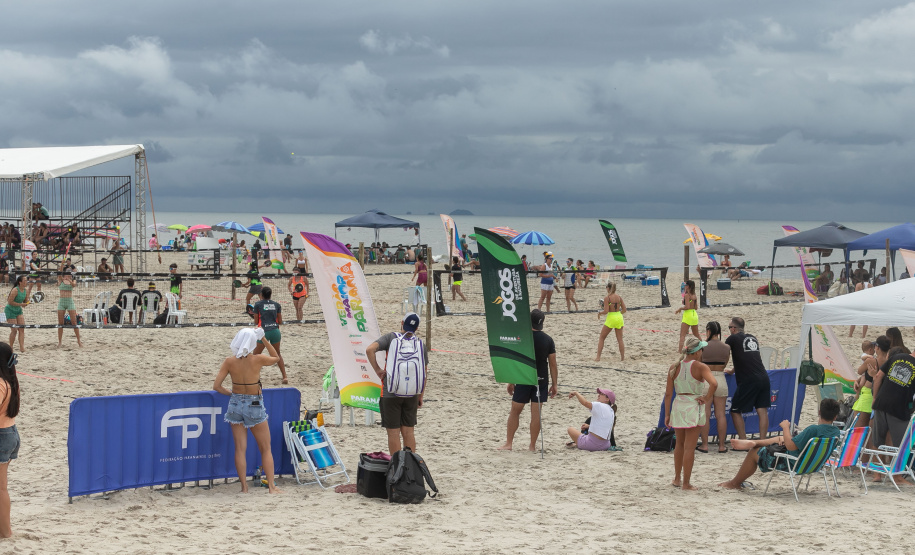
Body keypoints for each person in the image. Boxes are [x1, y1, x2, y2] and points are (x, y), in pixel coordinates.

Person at [213, 328, 282, 494]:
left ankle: (244, 487)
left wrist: (232, 394)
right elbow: (276, 358)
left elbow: (217, 386)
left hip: (235, 402)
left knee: (240, 448)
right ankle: (272, 487)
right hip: (254, 403)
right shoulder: (257, 359)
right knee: (265, 448)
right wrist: (264, 339)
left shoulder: (229, 361)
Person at [719, 398, 841, 490]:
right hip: (813, 465)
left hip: (793, 464)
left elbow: (791, 446)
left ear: (819, 412)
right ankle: (753, 442)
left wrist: (786, 427)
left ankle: (734, 483)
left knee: (755, 452)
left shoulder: (813, 429)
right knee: (781, 439)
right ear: (835, 417)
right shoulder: (835, 432)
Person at [366, 313, 428, 455]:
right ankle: (410, 466)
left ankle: (397, 466)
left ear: (402, 322)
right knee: (409, 432)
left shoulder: (391, 338)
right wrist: (420, 395)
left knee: (393, 433)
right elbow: (424, 373)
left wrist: (377, 370)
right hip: (412, 392)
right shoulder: (420, 344)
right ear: (417, 328)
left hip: (390, 392)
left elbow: (369, 349)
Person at [498, 309, 558, 451]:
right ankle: (532, 446)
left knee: (515, 411)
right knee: (536, 413)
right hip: (541, 379)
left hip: (523, 377)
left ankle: (509, 443)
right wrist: (555, 384)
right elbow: (553, 363)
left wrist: (511, 381)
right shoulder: (548, 340)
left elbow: (515, 361)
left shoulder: (522, 337)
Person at [663, 337, 717, 490]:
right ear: (697, 352)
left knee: (679, 444)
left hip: (679, 404)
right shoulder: (700, 367)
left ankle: (676, 479)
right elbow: (714, 383)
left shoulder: (674, 367)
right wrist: (706, 398)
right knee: (689, 447)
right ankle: (686, 483)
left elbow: (668, 394)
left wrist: (667, 414)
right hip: (693, 405)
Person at [725, 317, 771, 440]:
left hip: (749, 379)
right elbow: (747, 358)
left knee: (735, 410)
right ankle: (762, 442)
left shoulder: (732, 338)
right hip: (763, 376)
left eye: (729, 328)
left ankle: (743, 441)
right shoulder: (752, 338)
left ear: (733, 329)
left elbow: (722, 352)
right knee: (762, 410)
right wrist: (732, 370)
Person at [871, 344, 915, 449]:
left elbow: (878, 376)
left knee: (877, 443)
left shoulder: (897, 357)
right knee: (902, 446)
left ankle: (876, 464)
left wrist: (875, 398)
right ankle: (895, 465)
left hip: (881, 402)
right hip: (899, 408)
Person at [697, 321, 731, 454]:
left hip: (707, 379)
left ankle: (704, 445)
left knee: (705, 413)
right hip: (721, 379)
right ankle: (721, 445)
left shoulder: (703, 346)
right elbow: (725, 363)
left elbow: (699, 363)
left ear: (708, 331)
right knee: (721, 414)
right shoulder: (726, 347)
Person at [0, 342, 20, 537]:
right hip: (9, 431)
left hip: (2, 436)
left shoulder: (0, 383)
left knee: (1, 488)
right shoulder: (10, 379)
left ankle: (5, 532)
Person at [251, 287, 287, 384]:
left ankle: (253, 377)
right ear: (270, 295)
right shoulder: (276, 304)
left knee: (255, 356)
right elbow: (280, 321)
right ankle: (284, 377)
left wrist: (253, 315)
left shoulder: (258, 304)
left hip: (264, 332)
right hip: (275, 331)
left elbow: (255, 321)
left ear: (261, 295)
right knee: (277, 354)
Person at [851, 338, 882, 430]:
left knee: (857, 430)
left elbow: (860, 371)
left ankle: (857, 395)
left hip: (868, 396)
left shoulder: (871, 360)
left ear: (878, 348)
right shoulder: (887, 361)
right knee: (871, 431)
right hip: (879, 397)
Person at [594, 283, 626, 362]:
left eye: (606, 287)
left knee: (602, 337)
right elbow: (624, 309)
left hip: (611, 317)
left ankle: (598, 358)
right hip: (619, 317)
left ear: (608, 288)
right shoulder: (619, 297)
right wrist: (618, 315)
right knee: (620, 339)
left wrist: (600, 313)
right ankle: (622, 358)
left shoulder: (607, 298)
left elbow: (606, 311)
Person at [4, 276, 31, 354]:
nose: (27, 282)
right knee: (14, 330)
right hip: (10, 310)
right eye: (25, 280)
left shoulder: (26, 290)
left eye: (27, 280)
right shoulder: (15, 290)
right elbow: (10, 302)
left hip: (18, 310)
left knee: (22, 329)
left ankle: (22, 347)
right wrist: (21, 304)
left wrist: (27, 302)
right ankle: (11, 347)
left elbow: (25, 301)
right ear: (20, 282)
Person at [56, 270, 82, 347]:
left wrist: (69, 280)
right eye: (67, 275)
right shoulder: (60, 280)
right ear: (64, 275)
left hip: (70, 302)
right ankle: (60, 342)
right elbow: (59, 270)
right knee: (60, 323)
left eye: (70, 275)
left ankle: (79, 341)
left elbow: (74, 285)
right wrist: (62, 264)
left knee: (74, 322)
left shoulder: (73, 280)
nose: (69, 276)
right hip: (61, 302)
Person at [675, 280, 700, 352]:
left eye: (685, 285)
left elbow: (687, 307)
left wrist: (680, 308)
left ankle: (679, 351)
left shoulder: (687, 295)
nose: (684, 286)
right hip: (694, 314)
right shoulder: (694, 295)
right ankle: (703, 346)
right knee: (696, 334)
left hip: (688, 315)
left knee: (682, 335)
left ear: (688, 286)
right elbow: (696, 308)